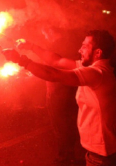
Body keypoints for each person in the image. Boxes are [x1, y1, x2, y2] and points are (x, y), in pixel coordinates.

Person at [2, 30, 116, 165]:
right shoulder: (94, 68)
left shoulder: (97, 73)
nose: (80, 50)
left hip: (104, 158)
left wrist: (21, 60)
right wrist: (31, 46)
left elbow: (53, 74)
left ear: (98, 53)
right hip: (106, 153)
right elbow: (57, 61)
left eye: (85, 46)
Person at [40, 26, 80, 164]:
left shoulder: (53, 47)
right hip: (70, 90)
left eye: (44, 32)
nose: (44, 35)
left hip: (57, 92)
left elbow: (50, 69)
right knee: (69, 123)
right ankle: (71, 153)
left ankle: (64, 158)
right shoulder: (69, 44)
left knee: (60, 125)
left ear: (50, 30)